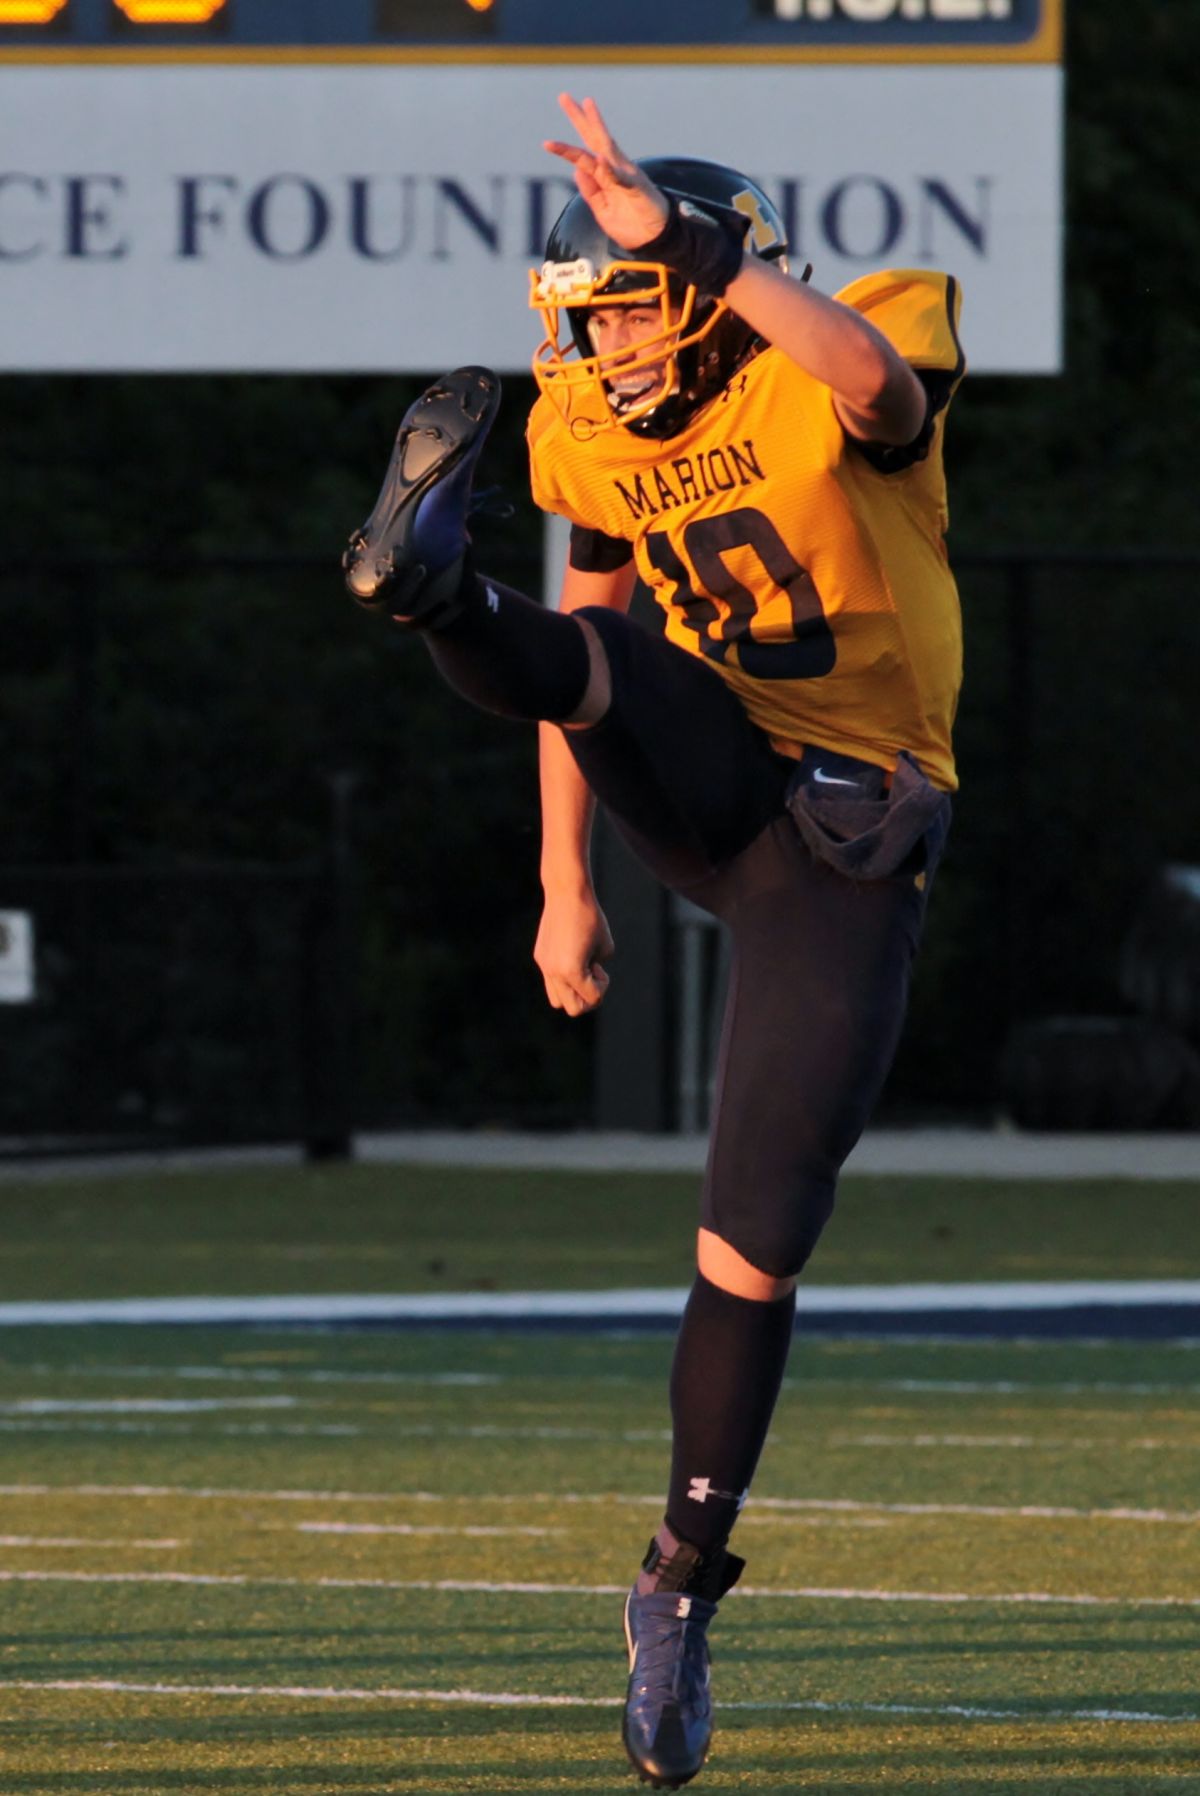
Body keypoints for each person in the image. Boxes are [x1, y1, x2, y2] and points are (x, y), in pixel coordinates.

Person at [345, 92, 965, 1792]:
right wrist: (564, 879)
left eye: (624, 309)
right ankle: (432, 592)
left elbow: (871, 384)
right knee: (593, 653)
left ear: (699, 286)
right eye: (588, 316)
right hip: (703, 773)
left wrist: (688, 248)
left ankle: (677, 1584)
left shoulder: (828, 356)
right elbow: (589, 664)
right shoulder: (592, 436)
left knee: (757, 1239)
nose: (601, 343)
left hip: (846, 836)